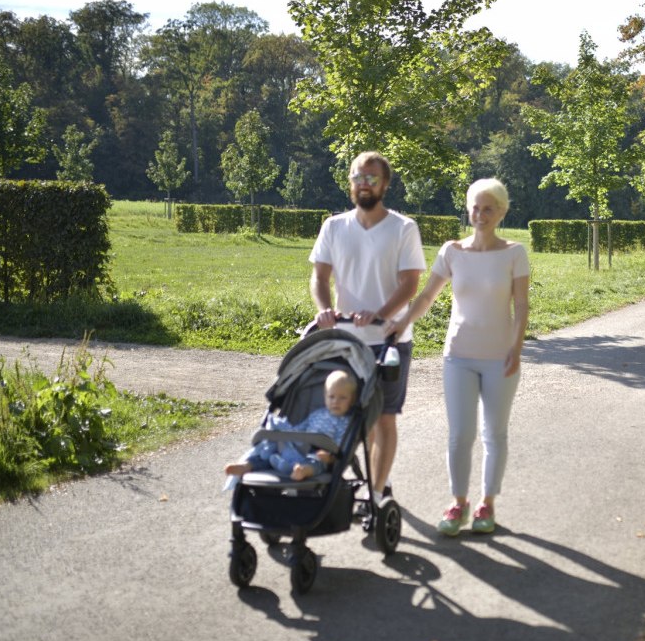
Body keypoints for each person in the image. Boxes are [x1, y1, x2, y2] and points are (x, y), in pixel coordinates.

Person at [387, 178, 530, 536]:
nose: (480, 215)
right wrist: (401, 322)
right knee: (460, 434)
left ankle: (487, 504)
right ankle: (458, 503)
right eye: (475, 208)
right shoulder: (452, 251)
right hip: (458, 357)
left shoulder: (515, 253)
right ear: (467, 210)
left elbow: (522, 305)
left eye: (488, 208)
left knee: (494, 433)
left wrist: (516, 348)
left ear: (502, 212)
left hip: (501, 358)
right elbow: (426, 298)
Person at [309, 151, 426, 505]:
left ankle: (377, 492)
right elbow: (319, 277)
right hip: (344, 340)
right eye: (358, 177)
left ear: (385, 184)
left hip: (388, 340)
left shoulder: (403, 228)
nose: (364, 184)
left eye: (372, 178)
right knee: (341, 414)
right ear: (350, 182)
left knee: (383, 420)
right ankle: (339, 477)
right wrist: (325, 309)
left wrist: (378, 313)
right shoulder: (334, 226)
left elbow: (409, 284)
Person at [224, 370, 357, 481]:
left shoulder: (347, 422)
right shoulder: (317, 414)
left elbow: (343, 444)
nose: (336, 402)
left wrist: (331, 457)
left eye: (342, 398)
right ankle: (247, 465)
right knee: (269, 449)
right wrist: (286, 434)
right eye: (331, 397)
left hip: (320, 453)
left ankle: (303, 471)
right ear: (325, 396)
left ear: (352, 400)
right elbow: (300, 429)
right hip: (299, 447)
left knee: (315, 462)